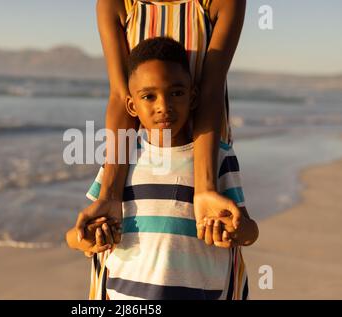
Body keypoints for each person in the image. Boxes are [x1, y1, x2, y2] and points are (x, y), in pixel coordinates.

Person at [69, 37, 258, 300]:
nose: (163, 106)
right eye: (149, 96)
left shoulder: (219, 156)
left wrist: (236, 229)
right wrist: (86, 238)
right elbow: (75, 237)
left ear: (192, 98)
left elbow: (249, 232)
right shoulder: (122, 158)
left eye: (176, 93)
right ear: (132, 106)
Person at [75, 0, 247, 257]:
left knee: (209, 253)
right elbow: (121, 97)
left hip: (206, 154)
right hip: (141, 156)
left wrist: (206, 188)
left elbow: (211, 91)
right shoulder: (118, 4)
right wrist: (110, 195)